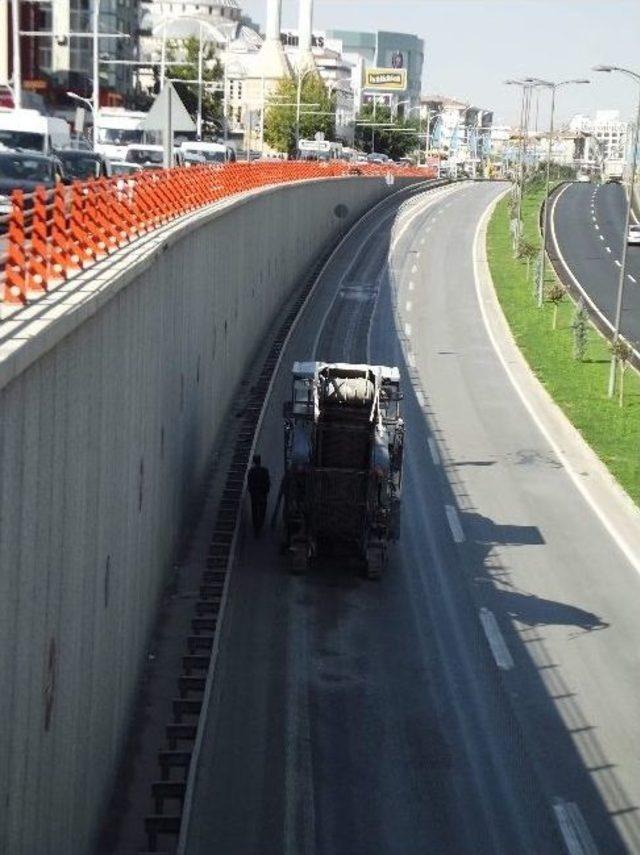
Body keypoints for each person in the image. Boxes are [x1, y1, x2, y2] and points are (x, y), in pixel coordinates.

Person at [247, 455, 271, 536]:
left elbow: (249, 483)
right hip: (262, 494)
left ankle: (256, 526)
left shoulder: (251, 471)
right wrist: (266, 491)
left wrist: (251, 491)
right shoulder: (265, 471)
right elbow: (267, 482)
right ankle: (259, 525)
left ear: (254, 461)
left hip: (254, 494)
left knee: (254, 510)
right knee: (262, 510)